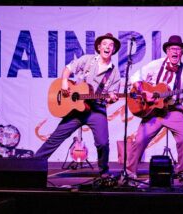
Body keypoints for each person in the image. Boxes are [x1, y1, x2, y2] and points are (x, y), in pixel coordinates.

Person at [35, 33, 121, 177]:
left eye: (111, 45)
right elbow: (68, 68)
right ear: (99, 47)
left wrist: (112, 98)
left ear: (113, 50)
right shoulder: (87, 60)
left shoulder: (114, 72)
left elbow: (113, 95)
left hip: (96, 110)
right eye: (105, 44)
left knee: (102, 143)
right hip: (76, 109)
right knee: (56, 137)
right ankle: (34, 165)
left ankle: (104, 174)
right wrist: (64, 81)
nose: (108, 47)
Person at [126, 35, 183, 184]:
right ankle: (129, 172)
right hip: (154, 111)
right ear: (167, 51)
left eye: (178, 49)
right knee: (139, 140)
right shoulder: (155, 65)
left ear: (182, 52)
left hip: (173, 110)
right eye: (172, 49)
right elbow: (135, 77)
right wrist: (144, 91)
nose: (175, 51)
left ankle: (182, 171)